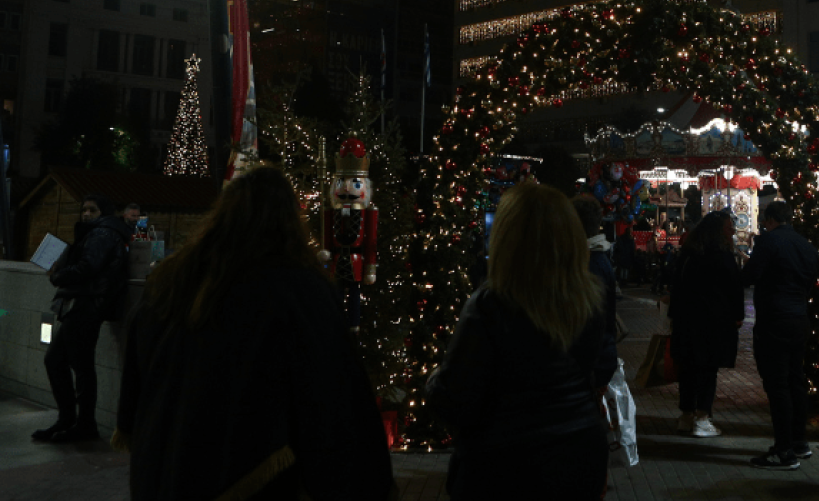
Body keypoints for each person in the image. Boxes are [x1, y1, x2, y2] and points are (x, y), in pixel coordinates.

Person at [114, 165, 393, 500]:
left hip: (165, 465)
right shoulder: (298, 289)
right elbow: (336, 395)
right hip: (243, 473)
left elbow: (140, 365)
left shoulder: (172, 281)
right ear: (289, 222)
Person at [427, 184, 609, 499]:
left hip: (503, 463)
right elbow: (590, 369)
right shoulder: (587, 300)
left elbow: (454, 398)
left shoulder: (490, 305)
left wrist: (432, 382)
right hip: (580, 451)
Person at [35, 194, 132, 443]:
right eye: (84, 210)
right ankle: (72, 420)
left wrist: (58, 275)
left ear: (105, 213)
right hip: (83, 305)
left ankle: (82, 424)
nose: (86, 214)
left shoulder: (102, 234)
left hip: (86, 305)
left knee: (75, 366)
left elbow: (88, 267)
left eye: (92, 210)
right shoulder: (101, 232)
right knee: (62, 362)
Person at [741, 199, 818, 470]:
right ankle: (800, 441)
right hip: (799, 318)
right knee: (796, 378)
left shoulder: (769, 242)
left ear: (770, 219)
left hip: (774, 319)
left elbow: (749, 276)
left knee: (777, 384)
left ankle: (784, 450)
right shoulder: (806, 245)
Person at [665, 210, 744, 438]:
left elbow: (677, 287)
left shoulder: (689, 254)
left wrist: (673, 316)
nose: (732, 231)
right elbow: (734, 289)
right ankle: (702, 416)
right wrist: (737, 315)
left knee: (688, 369)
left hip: (687, 321)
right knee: (708, 370)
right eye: (729, 227)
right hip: (714, 324)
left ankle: (686, 415)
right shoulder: (722, 256)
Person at [571, 193, 619, 390]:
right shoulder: (597, 258)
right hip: (599, 358)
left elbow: (589, 324)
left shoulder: (591, 264)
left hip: (593, 363)